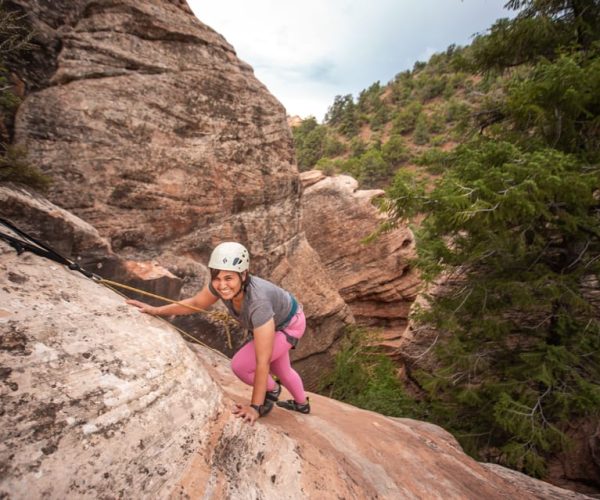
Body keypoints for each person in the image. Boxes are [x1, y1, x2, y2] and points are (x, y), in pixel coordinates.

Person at [126, 241, 310, 425]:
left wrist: (255, 407)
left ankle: (272, 391)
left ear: (243, 275)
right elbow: (196, 304)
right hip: (280, 316)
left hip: (289, 325)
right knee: (281, 368)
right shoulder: (221, 286)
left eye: (229, 278)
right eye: (217, 278)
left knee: (242, 366)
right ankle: (302, 404)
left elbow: (262, 361)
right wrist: (156, 310)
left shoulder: (258, 302)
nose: (222, 286)